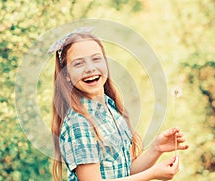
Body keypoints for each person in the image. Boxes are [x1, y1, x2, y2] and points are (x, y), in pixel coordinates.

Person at [50, 28, 189, 181]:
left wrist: (156, 148)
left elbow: (123, 172)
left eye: (96, 59)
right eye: (78, 64)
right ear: (66, 75)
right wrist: (152, 174)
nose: (90, 68)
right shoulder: (79, 123)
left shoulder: (111, 109)